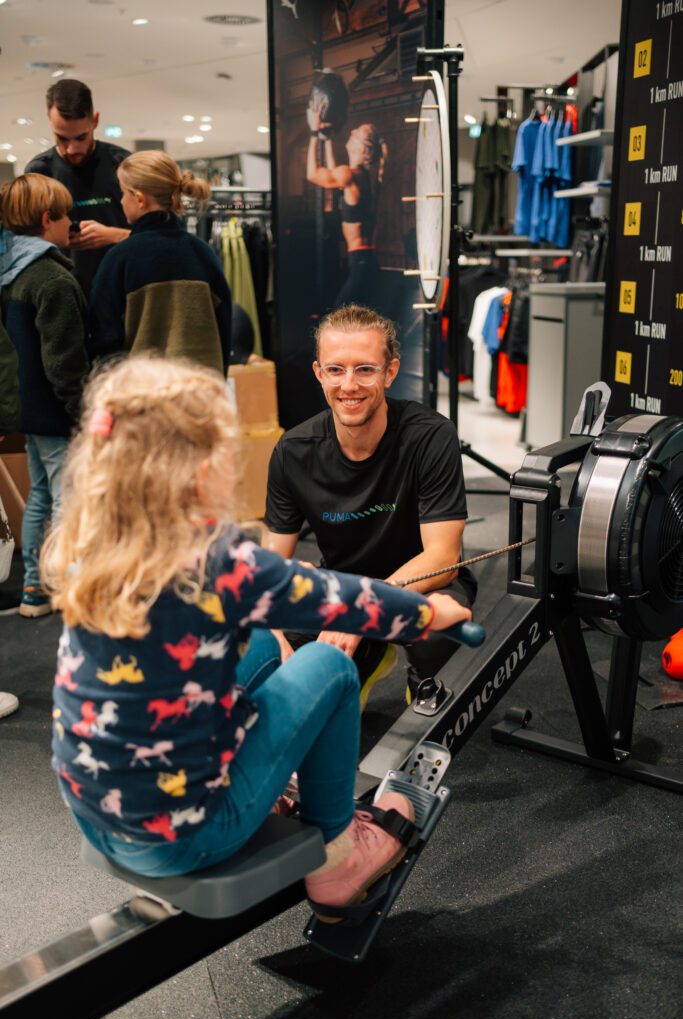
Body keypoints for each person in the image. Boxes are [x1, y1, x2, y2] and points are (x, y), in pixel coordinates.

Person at [42, 356, 472, 916]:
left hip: (96, 812)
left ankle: (273, 786)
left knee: (268, 646)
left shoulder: (90, 541)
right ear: (199, 467)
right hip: (188, 837)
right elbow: (352, 605)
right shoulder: (216, 560)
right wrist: (429, 613)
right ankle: (340, 858)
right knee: (331, 666)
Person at [265, 304, 476, 707]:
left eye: (365, 369)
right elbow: (272, 566)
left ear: (390, 372)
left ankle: (422, 676)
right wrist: (273, 632)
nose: (349, 385)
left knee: (435, 627)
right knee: (276, 648)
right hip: (340, 587)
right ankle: (365, 659)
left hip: (425, 580)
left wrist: (363, 608)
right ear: (318, 373)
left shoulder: (430, 436)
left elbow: (443, 554)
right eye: (335, 370)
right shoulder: (293, 451)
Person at [0, 174, 89, 618]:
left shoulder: (8, 273)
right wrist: (84, 413)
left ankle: (34, 586)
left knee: (40, 495)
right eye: (67, 214)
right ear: (45, 218)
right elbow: (65, 363)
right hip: (57, 411)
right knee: (69, 500)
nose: (72, 222)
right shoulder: (51, 278)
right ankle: (74, 590)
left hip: (27, 410)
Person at [88, 151, 231, 374]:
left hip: (143, 397)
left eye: (123, 193)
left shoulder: (120, 258)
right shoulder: (203, 253)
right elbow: (224, 333)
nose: (121, 200)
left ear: (139, 199)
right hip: (201, 397)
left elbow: (105, 342)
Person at [26, 79, 130, 296]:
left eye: (81, 137)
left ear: (95, 120)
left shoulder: (123, 164)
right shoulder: (39, 172)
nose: (73, 149)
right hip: (62, 296)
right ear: (49, 120)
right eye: (62, 138)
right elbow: (25, 244)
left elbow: (155, 237)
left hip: (121, 293)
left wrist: (115, 235)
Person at [307, 110, 386, 308]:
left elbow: (313, 174)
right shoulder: (367, 178)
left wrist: (314, 133)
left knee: (338, 318)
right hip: (367, 262)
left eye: (357, 133)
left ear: (362, 149)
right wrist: (328, 141)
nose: (351, 131)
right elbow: (337, 175)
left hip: (360, 263)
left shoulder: (349, 175)